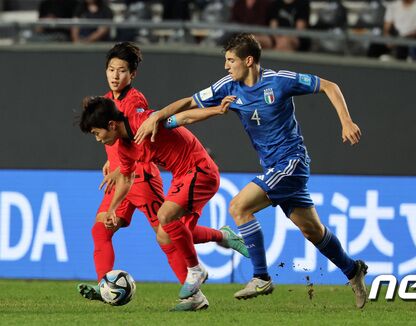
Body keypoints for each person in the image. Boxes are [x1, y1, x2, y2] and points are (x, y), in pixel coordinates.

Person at [133, 33, 368, 309]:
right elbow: (189, 104)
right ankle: (353, 270)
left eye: (230, 60)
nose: (226, 66)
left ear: (249, 60)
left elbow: (330, 86)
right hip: (273, 167)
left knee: (239, 207)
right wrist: (158, 117)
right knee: (312, 230)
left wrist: (346, 121)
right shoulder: (228, 86)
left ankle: (261, 276)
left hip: (291, 162)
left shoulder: (279, 82)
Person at [77, 42, 247, 311]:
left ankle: (202, 267)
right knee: (104, 230)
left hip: (148, 174)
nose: (115, 75)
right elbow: (120, 150)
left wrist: (216, 110)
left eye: (122, 70)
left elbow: (176, 120)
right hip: (127, 175)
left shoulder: (135, 109)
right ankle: (108, 287)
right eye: (111, 69)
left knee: (168, 233)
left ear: (132, 74)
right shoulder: (107, 107)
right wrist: (113, 167)